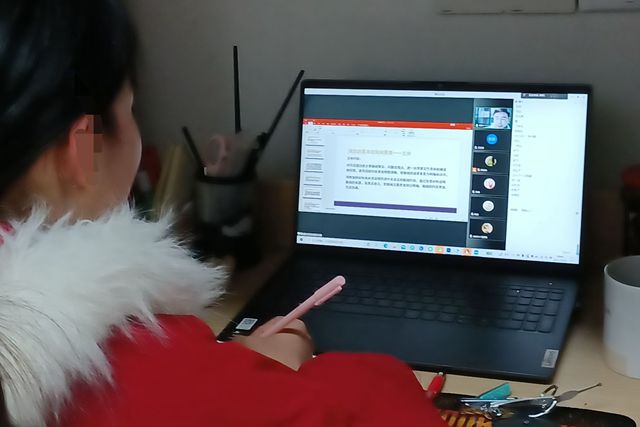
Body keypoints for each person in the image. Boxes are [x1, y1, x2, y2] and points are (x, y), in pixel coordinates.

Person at [0, 1, 447, 426]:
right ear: (85, 149)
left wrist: (233, 369)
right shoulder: (136, 371)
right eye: (130, 110)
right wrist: (258, 380)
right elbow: (383, 407)